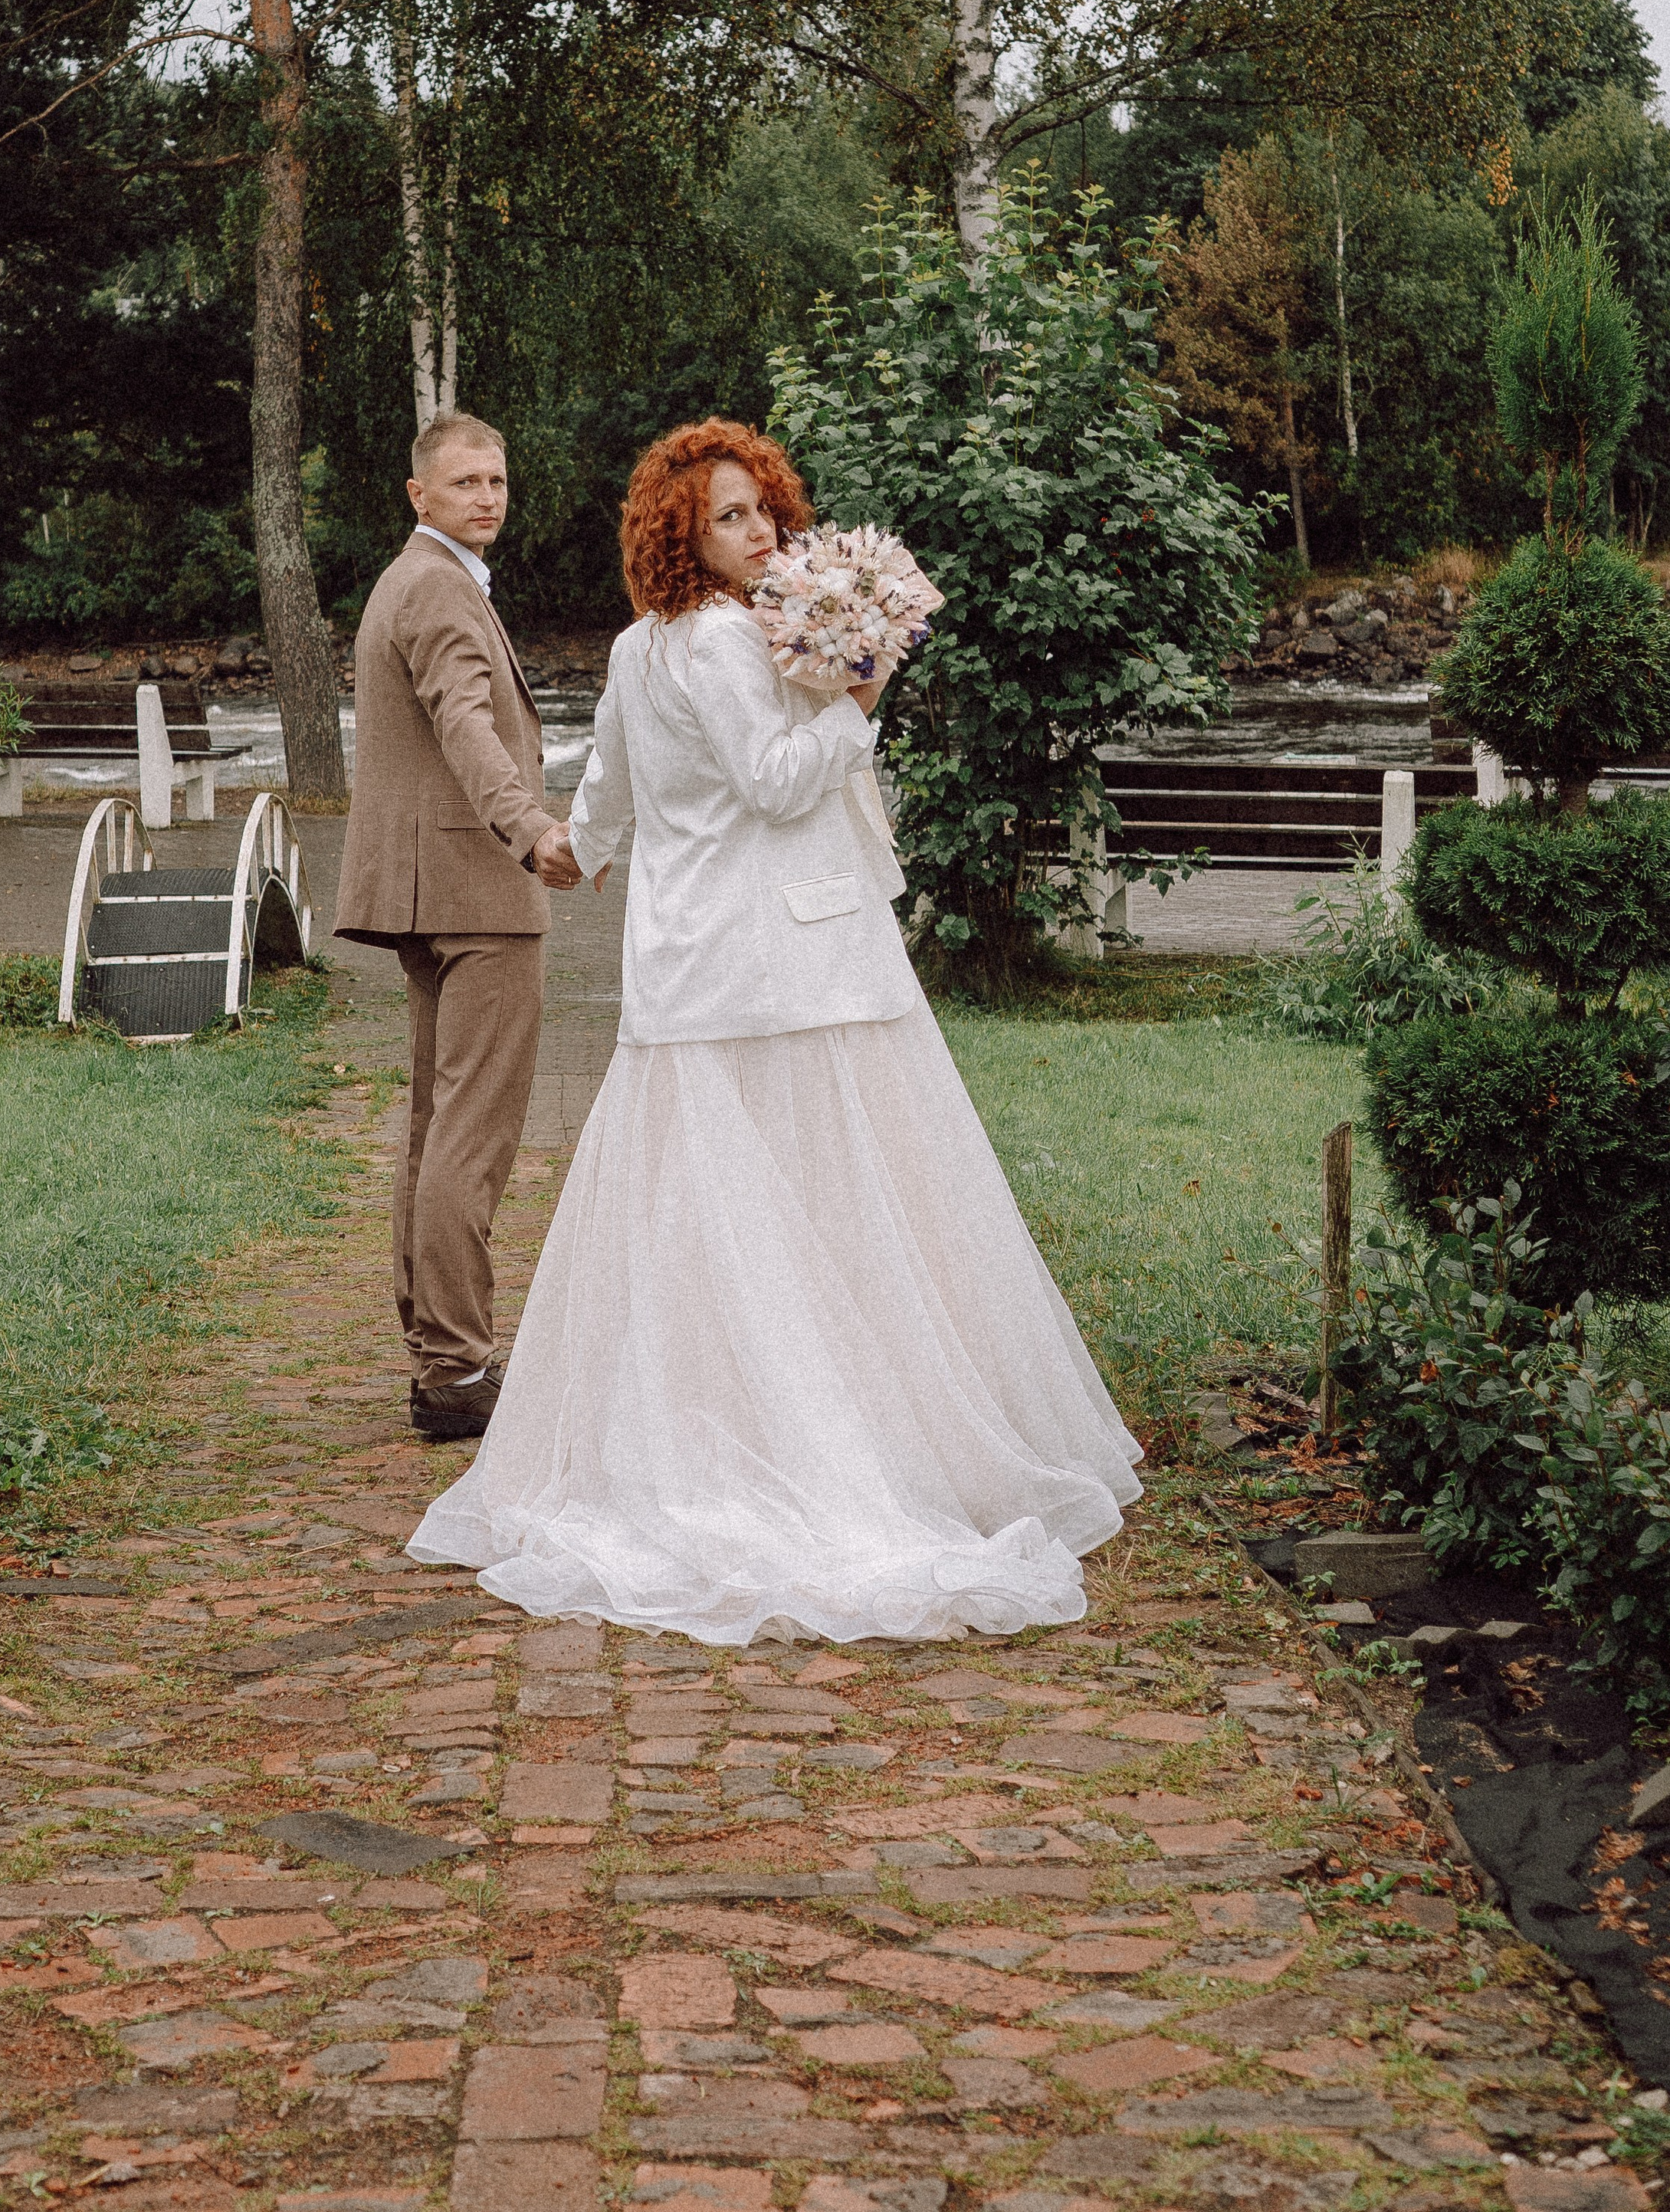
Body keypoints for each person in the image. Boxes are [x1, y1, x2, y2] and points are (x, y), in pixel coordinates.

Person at [409, 417, 1141, 1639]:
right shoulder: (719, 642)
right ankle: (830, 1440)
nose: (759, 533)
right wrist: (862, 695)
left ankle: (726, 1417)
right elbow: (775, 780)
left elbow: (610, 788)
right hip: (793, 966)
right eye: (729, 518)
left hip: (691, 969)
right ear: (680, 534)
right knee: (835, 1198)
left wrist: (573, 852)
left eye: (766, 511)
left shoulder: (641, 646)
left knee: (717, 1213)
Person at [333, 410, 582, 1445]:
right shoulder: (435, 586)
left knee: (440, 1132)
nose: (487, 497)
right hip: (477, 891)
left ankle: (442, 1360)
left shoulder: (419, 577)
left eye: (498, 479)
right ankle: (457, 1365)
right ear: (418, 495)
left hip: (435, 887)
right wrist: (533, 832)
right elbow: (466, 723)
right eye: (465, 481)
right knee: (469, 1137)